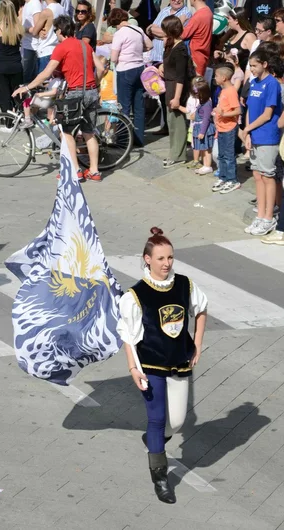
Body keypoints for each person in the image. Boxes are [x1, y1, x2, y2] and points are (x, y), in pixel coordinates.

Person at [117, 227, 208, 504]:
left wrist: (198, 343)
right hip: (150, 364)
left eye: (170, 257)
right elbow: (128, 337)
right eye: (160, 258)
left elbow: (201, 309)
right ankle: (160, 478)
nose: (167, 263)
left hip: (179, 362)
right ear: (147, 259)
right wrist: (134, 369)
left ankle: (153, 439)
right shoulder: (135, 295)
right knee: (156, 419)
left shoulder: (185, 284)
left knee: (177, 422)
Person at [13, 15, 105, 182]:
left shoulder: (61, 47)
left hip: (75, 93)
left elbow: (46, 73)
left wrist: (27, 87)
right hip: (91, 91)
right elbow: (101, 68)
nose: (54, 33)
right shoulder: (85, 45)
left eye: (55, 30)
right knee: (89, 132)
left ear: (60, 30)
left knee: (66, 132)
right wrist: (95, 84)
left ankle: (75, 170)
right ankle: (94, 171)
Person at [243, 49, 282, 236]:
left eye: (254, 66)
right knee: (257, 176)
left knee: (268, 176)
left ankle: (268, 216)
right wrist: (248, 132)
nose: (251, 69)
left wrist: (248, 129)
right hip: (255, 135)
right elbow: (250, 108)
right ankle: (260, 214)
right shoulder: (254, 83)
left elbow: (268, 114)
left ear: (265, 65)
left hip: (268, 135)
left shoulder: (272, 84)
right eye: (250, 66)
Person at [145, 0, 191, 135]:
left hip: (170, 59)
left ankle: (174, 128)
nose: (177, 1)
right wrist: (163, 32)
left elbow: (176, 33)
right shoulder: (164, 11)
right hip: (157, 58)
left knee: (172, 92)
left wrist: (159, 31)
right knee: (161, 93)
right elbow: (149, 28)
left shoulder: (186, 13)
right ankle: (165, 125)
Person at [110, 7, 152, 147]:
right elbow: (150, 45)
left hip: (125, 70)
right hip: (139, 68)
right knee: (139, 105)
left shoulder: (119, 33)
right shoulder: (138, 29)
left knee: (124, 107)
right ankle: (139, 139)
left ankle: (124, 139)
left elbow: (114, 57)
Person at [161, 15, 190, 168]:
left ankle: (178, 155)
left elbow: (181, 76)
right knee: (171, 122)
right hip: (169, 86)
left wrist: (177, 98)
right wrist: (161, 67)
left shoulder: (180, 49)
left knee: (177, 124)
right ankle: (174, 152)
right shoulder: (170, 44)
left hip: (176, 89)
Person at [213, 65, 242, 194]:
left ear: (223, 78)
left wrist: (223, 114)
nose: (215, 78)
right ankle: (223, 177)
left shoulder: (231, 91)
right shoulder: (223, 90)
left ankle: (233, 180)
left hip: (229, 128)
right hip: (221, 127)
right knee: (221, 154)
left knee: (229, 155)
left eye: (216, 76)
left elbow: (237, 110)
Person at [0, 0, 23, 113]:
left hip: (2, 64)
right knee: (16, 92)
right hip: (16, 64)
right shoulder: (19, 27)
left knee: (3, 94)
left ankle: (8, 120)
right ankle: (19, 115)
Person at [216, 7, 256, 72]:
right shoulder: (232, 33)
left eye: (229, 19)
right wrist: (222, 55)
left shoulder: (249, 36)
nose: (228, 21)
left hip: (240, 75)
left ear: (237, 21)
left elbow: (255, 58)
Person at [189, 78, 215, 176]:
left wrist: (202, 132)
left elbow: (206, 119)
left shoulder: (207, 103)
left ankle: (208, 166)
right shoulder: (203, 102)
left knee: (207, 149)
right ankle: (205, 165)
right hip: (199, 127)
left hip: (204, 129)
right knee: (203, 148)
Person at [30, 0, 64, 74]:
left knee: (42, 83)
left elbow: (34, 32)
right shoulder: (62, 8)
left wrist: (36, 31)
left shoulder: (46, 12)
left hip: (45, 50)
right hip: (57, 50)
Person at [180, 0, 212, 77]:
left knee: (194, 86)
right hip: (202, 56)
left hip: (195, 58)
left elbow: (181, 35)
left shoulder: (198, 16)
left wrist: (180, 21)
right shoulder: (208, 11)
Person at [20, 0, 42, 83]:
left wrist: (23, 29)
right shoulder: (26, 4)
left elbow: (37, 28)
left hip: (33, 47)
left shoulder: (35, 3)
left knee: (27, 78)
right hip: (26, 45)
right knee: (26, 76)